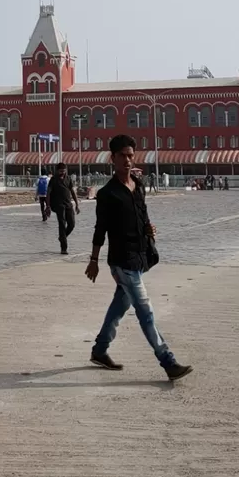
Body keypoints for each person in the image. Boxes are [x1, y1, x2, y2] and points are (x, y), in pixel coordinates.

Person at [85, 135, 192, 381]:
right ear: (112, 158)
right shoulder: (107, 193)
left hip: (140, 256)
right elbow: (100, 229)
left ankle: (100, 350)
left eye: (131, 155)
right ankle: (168, 361)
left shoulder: (137, 185)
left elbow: (142, 215)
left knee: (118, 307)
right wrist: (93, 260)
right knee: (145, 311)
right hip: (122, 261)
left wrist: (149, 229)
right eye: (122, 155)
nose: (127, 160)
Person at [48, 163, 76, 255]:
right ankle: (64, 248)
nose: (62, 173)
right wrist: (47, 206)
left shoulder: (68, 179)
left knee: (71, 224)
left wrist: (76, 203)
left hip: (68, 205)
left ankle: (62, 237)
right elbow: (48, 193)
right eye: (61, 171)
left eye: (64, 171)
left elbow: (72, 191)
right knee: (62, 224)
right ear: (57, 171)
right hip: (58, 205)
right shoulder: (53, 180)